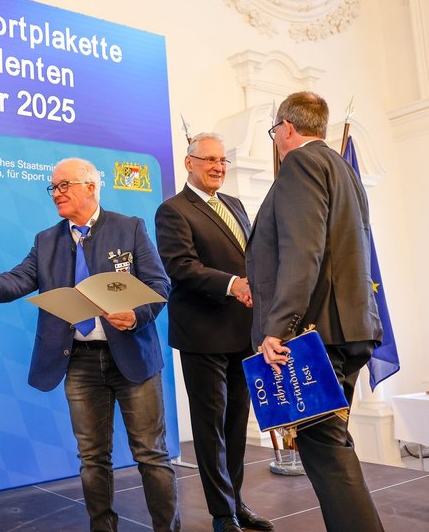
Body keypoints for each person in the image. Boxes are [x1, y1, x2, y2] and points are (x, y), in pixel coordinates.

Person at [0, 157, 180, 532]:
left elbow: (158, 283)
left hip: (133, 356)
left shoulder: (130, 227)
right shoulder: (46, 240)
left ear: (91, 187)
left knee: (151, 454)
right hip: (80, 363)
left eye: (64, 185)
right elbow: (17, 280)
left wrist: (137, 314)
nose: (56, 193)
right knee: (92, 457)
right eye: (53, 187)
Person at [246, 92, 384, 532]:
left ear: (287, 128)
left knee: (326, 451)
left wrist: (277, 326)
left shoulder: (301, 164)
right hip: (350, 326)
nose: (276, 140)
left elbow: (303, 252)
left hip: (316, 333)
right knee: (331, 445)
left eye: (275, 131)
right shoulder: (342, 168)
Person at [155, 134, 273, 532]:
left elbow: (250, 258)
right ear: (189, 163)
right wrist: (233, 285)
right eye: (209, 159)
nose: (218, 167)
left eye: (222, 160)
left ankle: (237, 503)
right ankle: (222, 514)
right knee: (210, 428)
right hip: (202, 334)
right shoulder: (172, 210)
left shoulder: (235, 204)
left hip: (244, 331)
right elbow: (181, 266)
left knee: (236, 425)